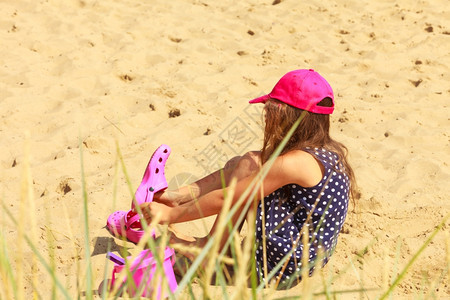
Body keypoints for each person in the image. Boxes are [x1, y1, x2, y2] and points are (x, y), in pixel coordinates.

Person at [139, 69, 356, 287]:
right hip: (306, 256)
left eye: (271, 110)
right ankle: (180, 200)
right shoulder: (324, 151)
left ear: (287, 116)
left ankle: (210, 252)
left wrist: (169, 215)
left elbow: (229, 198)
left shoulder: (295, 163)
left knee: (248, 166)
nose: (266, 117)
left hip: (280, 270)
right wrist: (177, 200)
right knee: (244, 163)